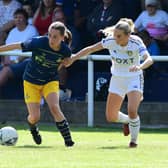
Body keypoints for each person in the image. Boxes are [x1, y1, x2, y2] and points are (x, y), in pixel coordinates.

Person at [63, 18, 153, 148]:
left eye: (119, 36)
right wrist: (74, 58)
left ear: (128, 35)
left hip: (134, 78)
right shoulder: (111, 41)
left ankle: (134, 141)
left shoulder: (136, 42)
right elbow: (91, 49)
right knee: (111, 116)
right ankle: (128, 121)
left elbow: (149, 59)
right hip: (117, 79)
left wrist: (140, 66)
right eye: (115, 35)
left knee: (132, 110)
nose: (116, 38)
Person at [0, 21, 74, 147]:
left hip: (49, 81)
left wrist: (65, 63)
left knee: (55, 107)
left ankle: (68, 141)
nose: (51, 39)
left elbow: (64, 63)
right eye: (50, 35)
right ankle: (33, 128)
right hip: (31, 82)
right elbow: (16, 46)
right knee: (34, 117)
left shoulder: (65, 51)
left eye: (55, 37)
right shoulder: (38, 42)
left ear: (62, 37)